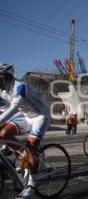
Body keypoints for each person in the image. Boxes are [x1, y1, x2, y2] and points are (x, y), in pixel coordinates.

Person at [0, 63, 51, 199]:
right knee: (3, 134)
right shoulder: (3, 90)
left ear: (7, 76)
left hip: (40, 116)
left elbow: (14, 108)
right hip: (26, 117)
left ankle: (32, 185)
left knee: (31, 148)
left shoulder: (19, 86)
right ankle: (24, 157)